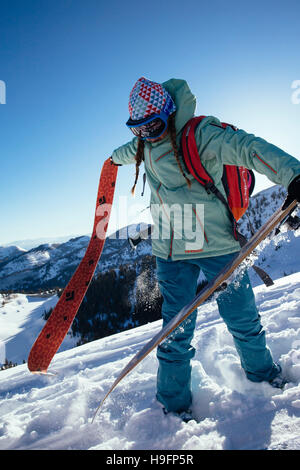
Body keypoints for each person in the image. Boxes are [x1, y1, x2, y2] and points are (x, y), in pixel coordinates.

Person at [111, 77, 300, 419]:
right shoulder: (142, 144)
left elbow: (249, 148)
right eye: (137, 129)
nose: (146, 135)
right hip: (171, 253)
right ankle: (173, 406)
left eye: (152, 126)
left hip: (217, 246)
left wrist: (293, 175)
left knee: (242, 319)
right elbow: (126, 151)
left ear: (168, 113)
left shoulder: (202, 135)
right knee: (174, 333)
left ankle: (262, 376)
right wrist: (111, 160)